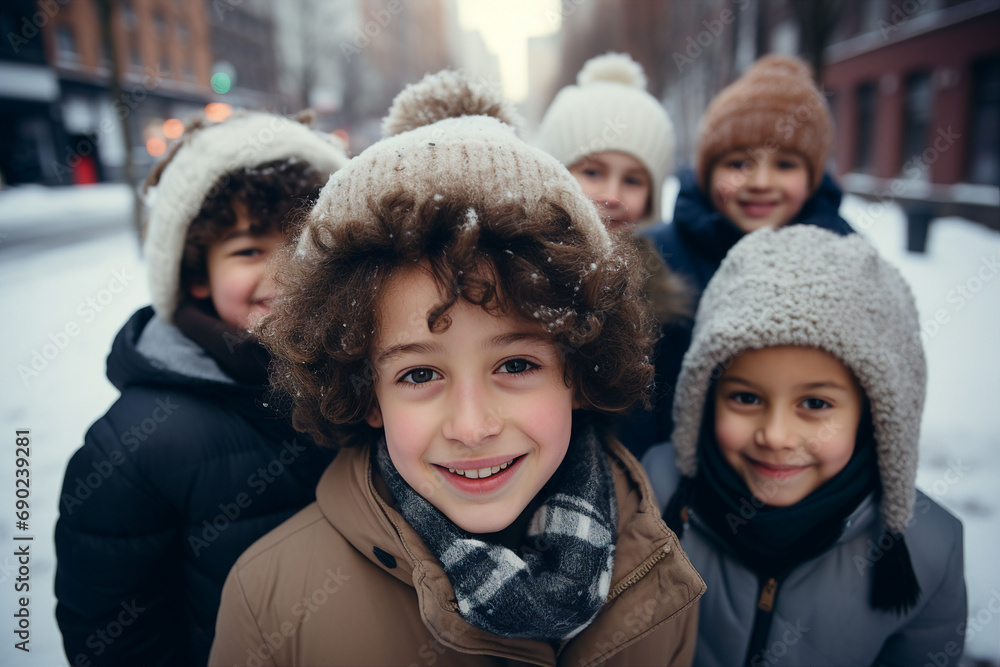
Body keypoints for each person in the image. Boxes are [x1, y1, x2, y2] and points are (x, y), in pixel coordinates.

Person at [208, 70, 704, 667]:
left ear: (580, 368)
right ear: (365, 392)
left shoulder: (661, 575)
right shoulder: (271, 603)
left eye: (516, 364)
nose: (472, 427)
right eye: (419, 374)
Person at [55, 112, 350, 666]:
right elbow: (117, 638)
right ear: (196, 274)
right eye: (247, 250)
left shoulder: (371, 383)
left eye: (303, 241)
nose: (285, 271)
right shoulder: (135, 448)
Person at [642, 225, 967, 666]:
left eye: (815, 403)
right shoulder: (648, 498)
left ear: (876, 416)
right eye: (746, 397)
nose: (775, 436)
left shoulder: (927, 550)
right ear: (704, 396)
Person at [643, 54, 855, 452]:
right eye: (739, 163)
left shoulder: (845, 258)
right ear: (707, 173)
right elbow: (635, 393)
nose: (760, 182)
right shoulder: (659, 256)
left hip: (792, 466)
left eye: (785, 164)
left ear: (812, 178)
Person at [535, 52, 691, 458]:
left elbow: (658, 416)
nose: (612, 194)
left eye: (634, 179)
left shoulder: (661, 299)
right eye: (592, 171)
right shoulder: (526, 272)